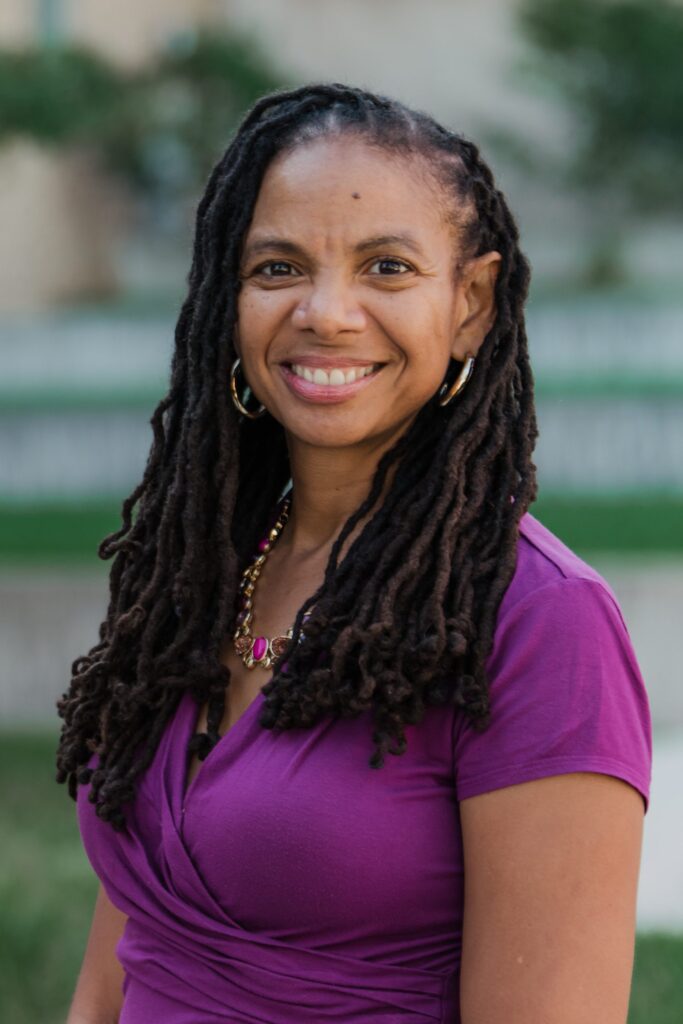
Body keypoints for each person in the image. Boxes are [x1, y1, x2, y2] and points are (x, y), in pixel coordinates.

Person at [56, 82, 652, 1024]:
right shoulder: (199, 575)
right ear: (229, 299)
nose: (326, 313)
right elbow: (120, 970)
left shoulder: (538, 623)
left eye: (385, 267)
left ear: (470, 302)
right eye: (278, 268)